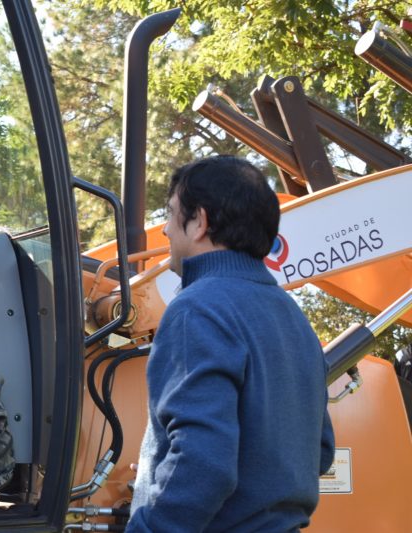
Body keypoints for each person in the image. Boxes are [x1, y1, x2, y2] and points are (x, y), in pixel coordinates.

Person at [127, 155, 335, 532]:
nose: (166, 230)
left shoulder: (196, 309)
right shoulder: (293, 317)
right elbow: (319, 451)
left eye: (171, 213)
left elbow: (201, 462)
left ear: (200, 222)